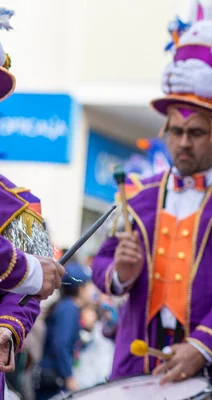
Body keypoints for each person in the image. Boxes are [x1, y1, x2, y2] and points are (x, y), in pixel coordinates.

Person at [91, 2, 212, 398]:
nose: (183, 142)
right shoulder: (135, 196)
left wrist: (202, 346)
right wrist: (121, 274)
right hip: (137, 364)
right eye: (175, 132)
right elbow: (102, 263)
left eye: (195, 132)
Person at [0, 9, 65, 400]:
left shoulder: (19, 206)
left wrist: (7, 326)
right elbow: (31, 275)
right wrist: (26, 269)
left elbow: (23, 301)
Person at [35, 264, 95, 400]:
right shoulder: (69, 308)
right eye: (89, 285)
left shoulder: (67, 306)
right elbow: (61, 344)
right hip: (54, 380)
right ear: (81, 289)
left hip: (53, 377)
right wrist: (69, 376)